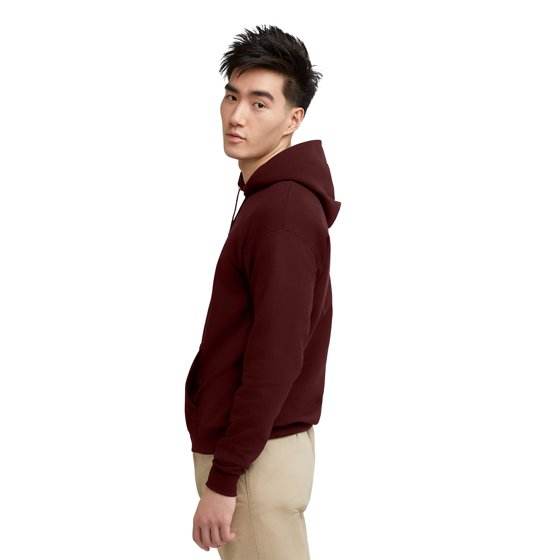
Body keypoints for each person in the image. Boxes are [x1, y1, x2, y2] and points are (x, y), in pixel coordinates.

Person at [184, 24, 341, 559]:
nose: (237, 116)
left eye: (259, 102)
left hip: (254, 464)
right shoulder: (269, 202)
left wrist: (225, 478)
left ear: (293, 119)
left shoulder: (283, 214)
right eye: (232, 96)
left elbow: (276, 356)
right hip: (255, 454)